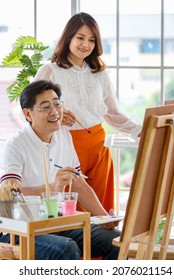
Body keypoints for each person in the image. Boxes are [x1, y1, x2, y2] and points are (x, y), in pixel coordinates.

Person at [0, 80, 121, 260]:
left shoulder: (63, 135)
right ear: (28, 114)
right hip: (16, 228)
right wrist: (53, 188)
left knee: (114, 239)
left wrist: (104, 218)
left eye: (57, 104)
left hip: (53, 222)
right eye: (45, 107)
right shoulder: (15, 146)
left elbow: (78, 183)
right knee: (66, 249)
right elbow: (9, 194)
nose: (55, 112)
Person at [33, 12, 141, 213]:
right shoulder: (50, 71)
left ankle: (103, 245)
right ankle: (74, 246)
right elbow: (31, 107)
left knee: (101, 208)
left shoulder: (100, 73)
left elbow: (113, 113)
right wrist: (55, 114)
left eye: (91, 40)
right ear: (68, 38)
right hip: (68, 144)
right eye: (80, 38)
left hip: (99, 144)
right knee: (72, 207)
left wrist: (140, 131)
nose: (86, 44)